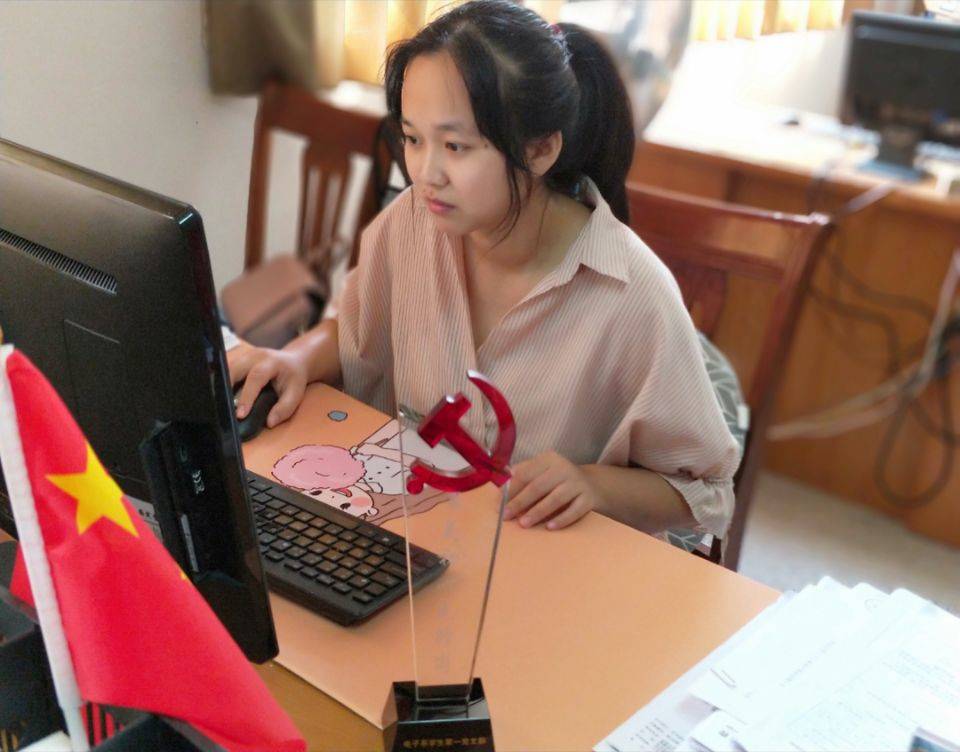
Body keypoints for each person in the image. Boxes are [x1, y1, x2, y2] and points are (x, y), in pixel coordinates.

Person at [228, 0, 740, 539]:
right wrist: (294, 358)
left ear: (539, 151)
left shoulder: (632, 293)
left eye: (456, 146)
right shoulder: (412, 222)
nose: (426, 173)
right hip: (414, 539)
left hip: (540, 559)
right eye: (413, 139)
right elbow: (355, 332)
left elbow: (708, 491)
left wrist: (595, 485)